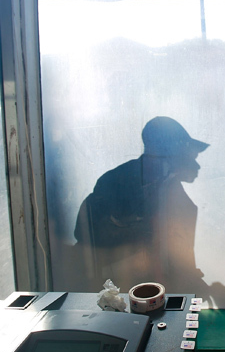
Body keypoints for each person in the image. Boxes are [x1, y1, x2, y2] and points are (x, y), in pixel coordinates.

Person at [73, 116, 209, 293]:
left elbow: (179, 245)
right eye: (186, 150)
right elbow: (86, 234)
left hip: (158, 289)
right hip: (119, 291)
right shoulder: (117, 181)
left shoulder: (170, 186)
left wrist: (191, 278)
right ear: (168, 149)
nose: (193, 162)